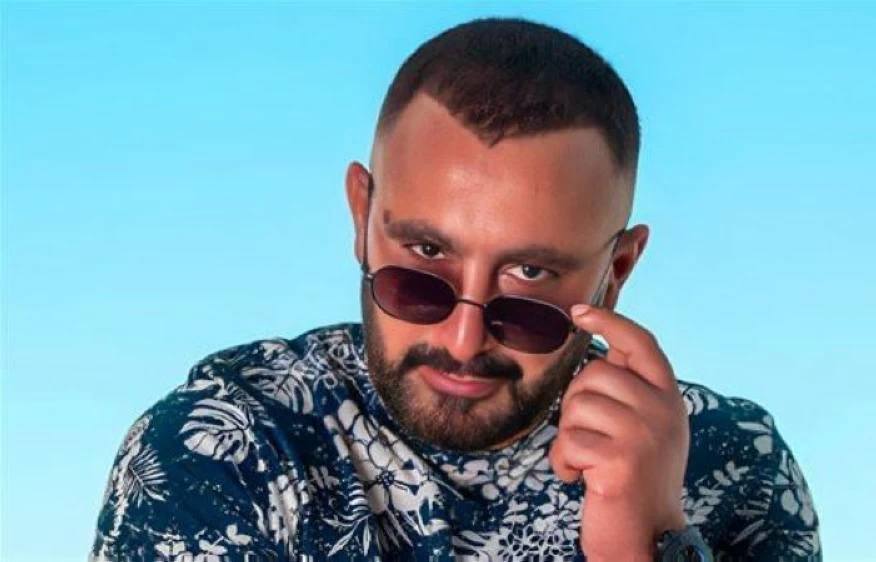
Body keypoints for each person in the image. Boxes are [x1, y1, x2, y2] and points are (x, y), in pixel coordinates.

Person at [91, 17, 821, 562]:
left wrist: (648, 543)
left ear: (617, 271)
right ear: (362, 218)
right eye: (426, 257)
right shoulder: (226, 448)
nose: (464, 339)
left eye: (529, 276)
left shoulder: (734, 464)